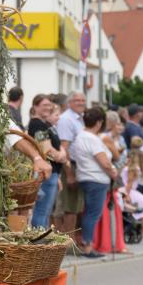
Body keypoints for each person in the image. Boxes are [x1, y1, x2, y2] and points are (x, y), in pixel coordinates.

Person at [69, 106, 118, 258]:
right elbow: (104, 162)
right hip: (96, 178)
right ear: (99, 122)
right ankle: (88, 246)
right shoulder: (92, 139)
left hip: (85, 176)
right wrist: (114, 173)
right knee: (93, 213)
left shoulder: (80, 136)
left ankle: (87, 243)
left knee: (89, 212)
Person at [27, 94, 67, 228]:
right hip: (46, 173)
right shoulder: (37, 124)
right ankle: (39, 238)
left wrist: (61, 154)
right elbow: (47, 151)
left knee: (45, 212)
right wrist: (61, 156)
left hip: (52, 173)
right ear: (35, 106)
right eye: (44, 105)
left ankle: (42, 237)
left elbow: (56, 147)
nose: (48, 108)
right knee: (42, 211)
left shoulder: (44, 124)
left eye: (49, 105)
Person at [55, 91, 86, 239]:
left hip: (77, 166)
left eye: (83, 100)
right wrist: (69, 174)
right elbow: (64, 148)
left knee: (75, 207)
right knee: (69, 207)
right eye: (77, 100)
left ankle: (72, 241)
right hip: (69, 166)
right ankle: (68, 242)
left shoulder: (80, 118)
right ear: (69, 102)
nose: (81, 103)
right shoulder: (67, 119)